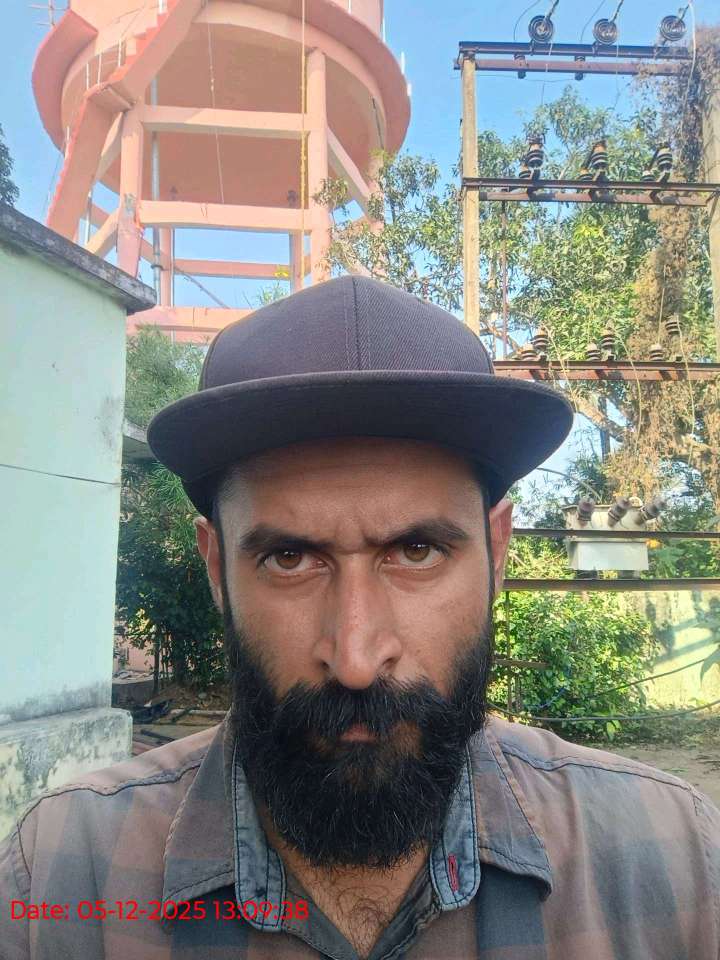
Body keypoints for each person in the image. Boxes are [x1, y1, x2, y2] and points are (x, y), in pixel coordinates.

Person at [1, 276, 719, 960]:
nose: (354, 658)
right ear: (216, 567)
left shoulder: (674, 863)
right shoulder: (62, 876)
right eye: (290, 558)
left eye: (416, 551)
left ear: (497, 554)